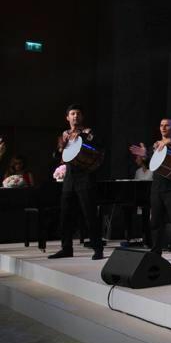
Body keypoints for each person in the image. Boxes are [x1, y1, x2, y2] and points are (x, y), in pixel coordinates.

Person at [129, 118, 171, 265]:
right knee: (155, 222)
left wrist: (170, 142)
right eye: (161, 125)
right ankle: (156, 251)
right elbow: (151, 164)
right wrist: (145, 155)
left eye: (167, 125)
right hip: (157, 187)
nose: (163, 127)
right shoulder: (155, 145)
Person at [53, 104, 103, 259]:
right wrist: (60, 148)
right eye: (72, 114)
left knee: (89, 213)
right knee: (65, 214)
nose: (75, 116)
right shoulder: (65, 134)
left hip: (85, 176)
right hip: (70, 177)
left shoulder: (88, 132)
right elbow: (60, 156)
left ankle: (97, 248)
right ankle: (66, 248)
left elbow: (97, 149)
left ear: (82, 117)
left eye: (78, 113)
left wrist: (81, 136)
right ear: (67, 117)